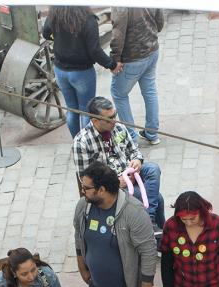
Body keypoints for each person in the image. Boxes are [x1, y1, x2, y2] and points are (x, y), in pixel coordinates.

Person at [74, 97, 165, 227]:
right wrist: (115, 182)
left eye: (114, 115)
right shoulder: (82, 142)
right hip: (110, 187)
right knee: (158, 199)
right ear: (95, 121)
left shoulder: (119, 128)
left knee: (153, 168)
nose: (114, 121)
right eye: (109, 118)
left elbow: (134, 150)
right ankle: (152, 225)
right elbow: (86, 179)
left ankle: (150, 220)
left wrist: (136, 161)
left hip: (130, 174)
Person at [42, 6, 117, 137]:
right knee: (86, 112)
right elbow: (95, 51)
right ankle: (87, 144)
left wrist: (60, 40)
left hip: (60, 71)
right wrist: (112, 64)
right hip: (82, 73)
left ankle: (77, 142)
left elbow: (45, 34)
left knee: (71, 110)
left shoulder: (55, 12)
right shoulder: (88, 19)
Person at [109, 7, 164, 145]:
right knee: (149, 90)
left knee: (119, 94)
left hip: (132, 57)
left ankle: (131, 136)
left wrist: (115, 58)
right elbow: (160, 21)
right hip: (152, 49)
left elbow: (118, 32)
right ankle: (152, 133)